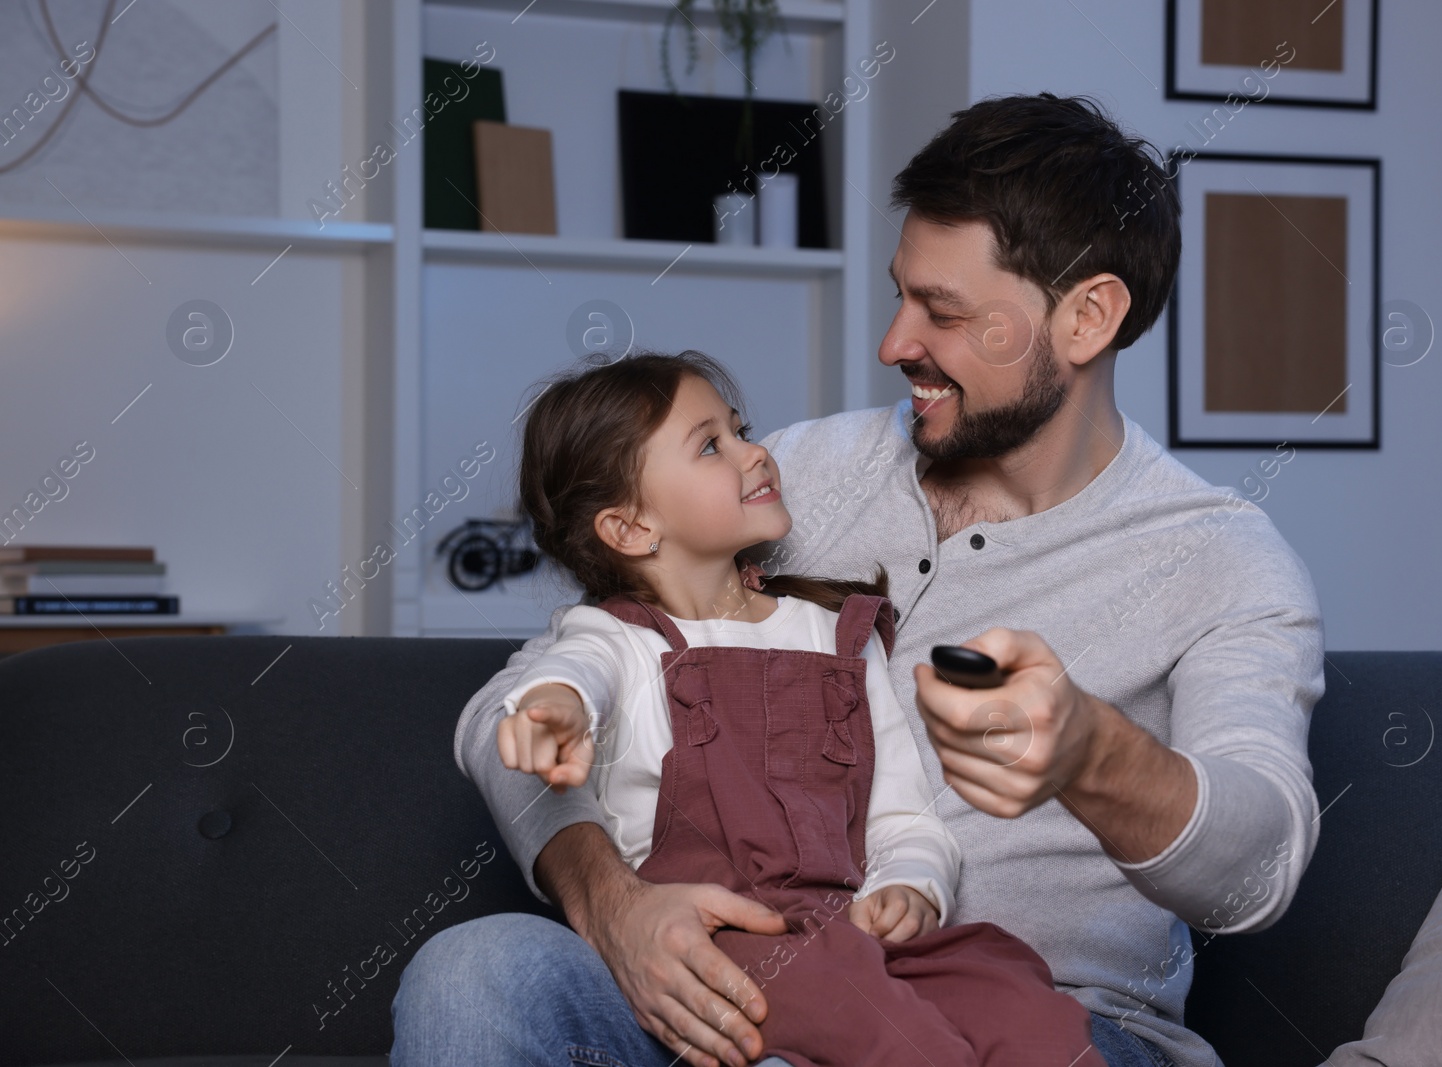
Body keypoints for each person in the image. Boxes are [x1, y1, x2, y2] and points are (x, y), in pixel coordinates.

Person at [392, 92, 1325, 1067]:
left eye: (944, 312)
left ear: (1087, 315)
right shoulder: (793, 477)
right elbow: (531, 702)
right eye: (900, 293)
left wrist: (1095, 755)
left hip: (1048, 1019)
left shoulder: (1219, 555)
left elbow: (1253, 875)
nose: (893, 344)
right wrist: (609, 898)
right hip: (739, 977)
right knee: (477, 966)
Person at [484, 348, 1105, 1067]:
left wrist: (911, 884)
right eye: (713, 445)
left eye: (743, 430)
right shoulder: (615, 640)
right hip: (717, 946)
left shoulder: (837, 636)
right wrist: (553, 707)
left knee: (1011, 989)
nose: (757, 455)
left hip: (850, 937)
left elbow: (903, 814)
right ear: (630, 528)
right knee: (883, 1027)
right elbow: (572, 676)